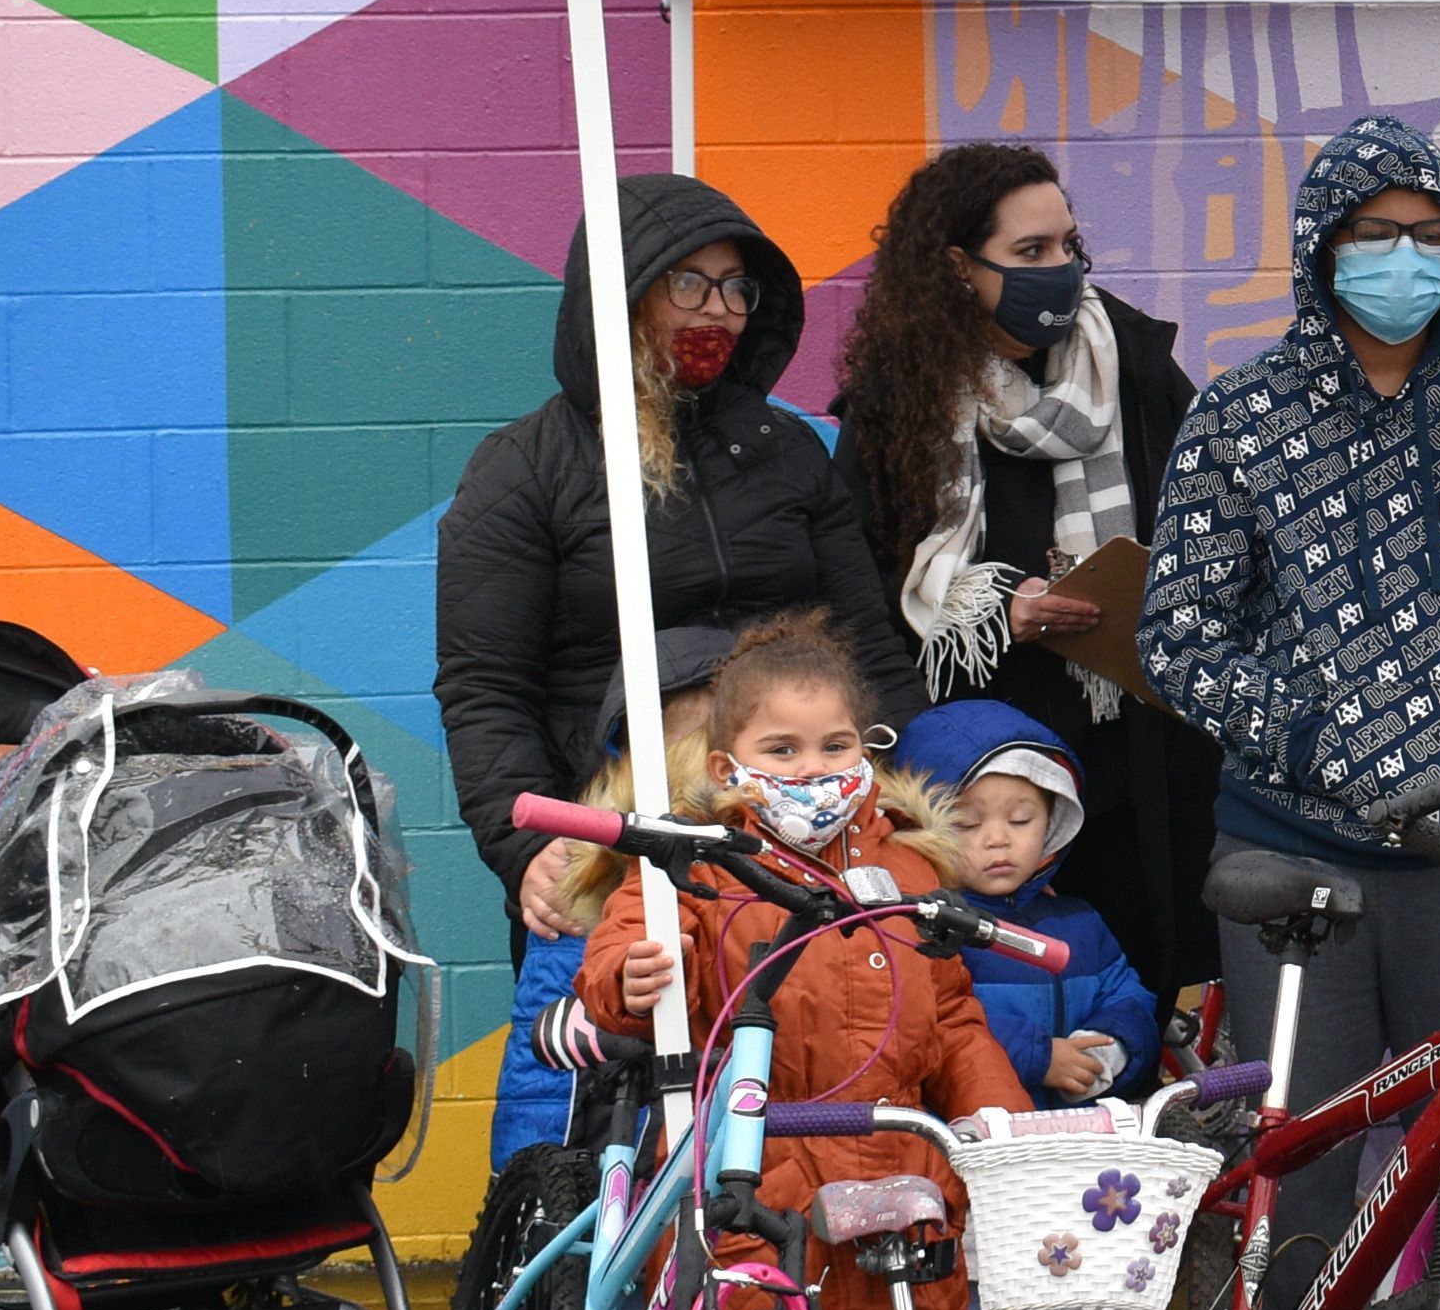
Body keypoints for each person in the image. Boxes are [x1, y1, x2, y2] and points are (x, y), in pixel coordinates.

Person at [1137, 114, 1440, 1304]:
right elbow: (1178, 637)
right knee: (1301, 1169)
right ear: (1321, 246)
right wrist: (1322, 746)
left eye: (1429, 235)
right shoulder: (1239, 417)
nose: (1404, 258)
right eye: (1375, 234)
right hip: (1294, 871)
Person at [570, 612, 1029, 1310]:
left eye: (835, 747)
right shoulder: (697, 866)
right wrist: (632, 977)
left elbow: (955, 1025)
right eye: (782, 751)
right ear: (729, 767)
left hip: (893, 1197)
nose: (813, 771)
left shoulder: (908, 873)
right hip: (756, 1197)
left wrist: (1006, 1131)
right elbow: (617, 969)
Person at [438, 173, 919, 1057]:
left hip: (801, 835)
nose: (721, 311)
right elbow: (485, 689)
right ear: (622, 292)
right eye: (689, 283)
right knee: (611, 1102)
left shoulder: (788, 453)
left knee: (816, 1070)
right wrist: (525, 848)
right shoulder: (524, 469)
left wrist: (903, 805)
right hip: (623, 842)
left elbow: (868, 652)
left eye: (739, 288)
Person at [833, 142, 1219, 1000]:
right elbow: (860, 595)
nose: (1063, 271)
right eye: (1031, 253)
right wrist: (1000, 611)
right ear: (956, 268)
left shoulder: (1137, 364)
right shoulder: (898, 402)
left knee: (1141, 1003)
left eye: (1070, 247)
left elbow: (1214, 521)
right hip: (978, 787)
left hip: (1140, 763)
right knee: (994, 1018)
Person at [489, 621, 730, 1160]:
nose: (707, 778)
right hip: (601, 1153)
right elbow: (541, 1080)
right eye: (686, 754)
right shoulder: (585, 878)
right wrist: (537, 1189)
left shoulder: (762, 871)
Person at [904, 697, 1161, 1104]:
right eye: (967, 823)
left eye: (1022, 819)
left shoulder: (1080, 920)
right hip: (973, 1141)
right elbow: (923, 1023)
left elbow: (1128, 996)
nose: (998, 838)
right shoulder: (922, 927)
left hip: (1077, 1141)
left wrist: (1111, 1048)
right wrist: (1039, 1057)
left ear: (1054, 820)